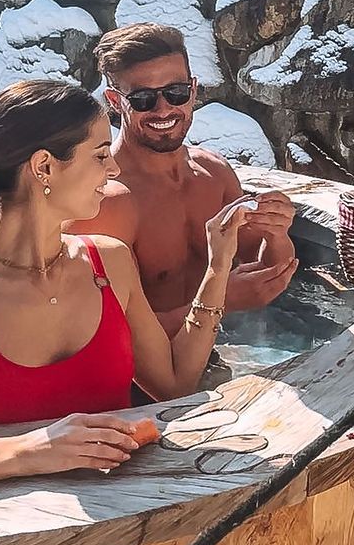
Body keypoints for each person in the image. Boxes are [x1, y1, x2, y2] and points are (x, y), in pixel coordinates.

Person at [0, 79, 255, 513]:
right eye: (99, 156)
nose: (113, 170)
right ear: (44, 168)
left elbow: (176, 384)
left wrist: (218, 267)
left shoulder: (108, 262)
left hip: (130, 530)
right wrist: (23, 452)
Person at [79, 22, 297, 335]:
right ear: (115, 102)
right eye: (143, 99)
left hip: (216, 348)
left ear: (193, 90)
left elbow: (264, 273)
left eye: (176, 93)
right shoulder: (102, 200)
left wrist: (277, 234)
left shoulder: (215, 173)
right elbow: (102, 335)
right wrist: (221, 301)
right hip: (144, 380)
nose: (164, 109)